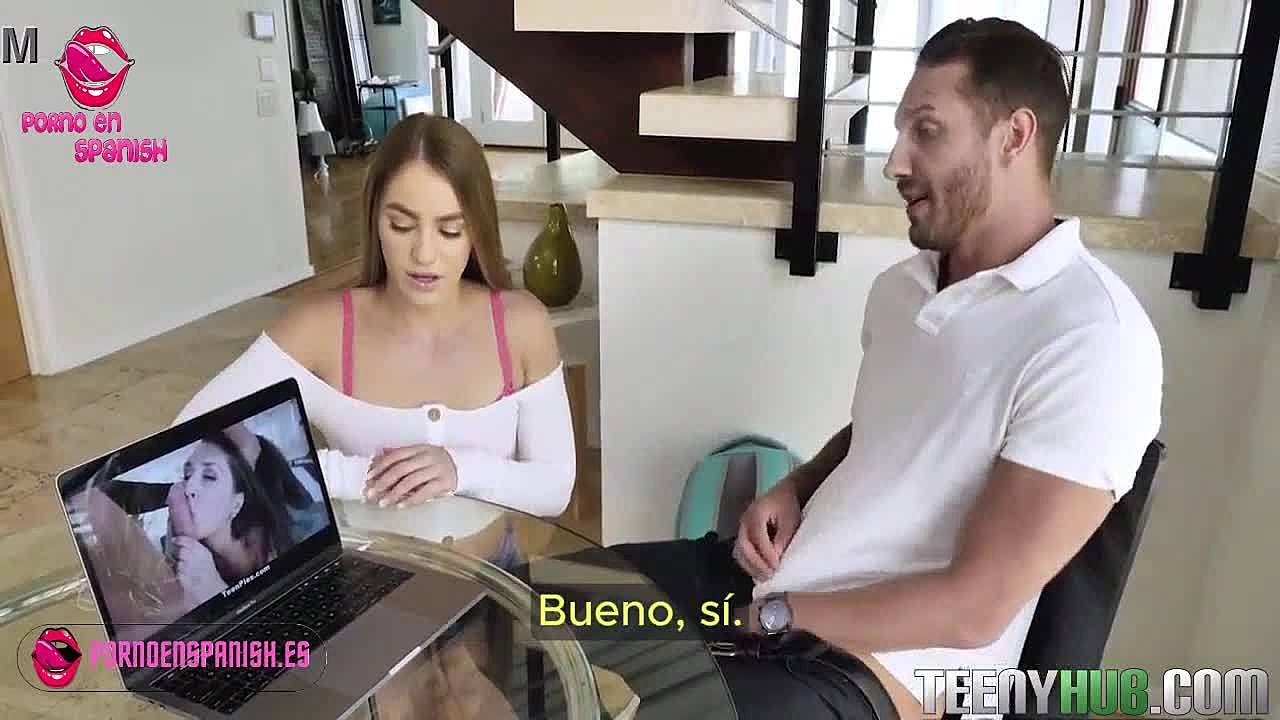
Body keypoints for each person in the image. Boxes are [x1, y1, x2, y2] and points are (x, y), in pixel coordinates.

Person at [600, 18, 1163, 720]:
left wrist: (777, 617)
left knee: (656, 709)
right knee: (543, 600)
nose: (895, 161)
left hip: (873, 671)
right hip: (778, 587)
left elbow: (974, 609)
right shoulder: (903, 289)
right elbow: (885, 431)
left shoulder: (1094, 339)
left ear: (1014, 136)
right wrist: (799, 485)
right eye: (901, 132)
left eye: (927, 131)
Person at [174, 112, 575, 524]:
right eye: (401, 226)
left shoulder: (521, 325)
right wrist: (362, 476)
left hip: (493, 562)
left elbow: (554, 487)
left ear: (477, 230)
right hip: (369, 563)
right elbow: (181, 440)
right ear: (375, 219)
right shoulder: (320, 329)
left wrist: (461, 470)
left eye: (450, 230)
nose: (424, 254)